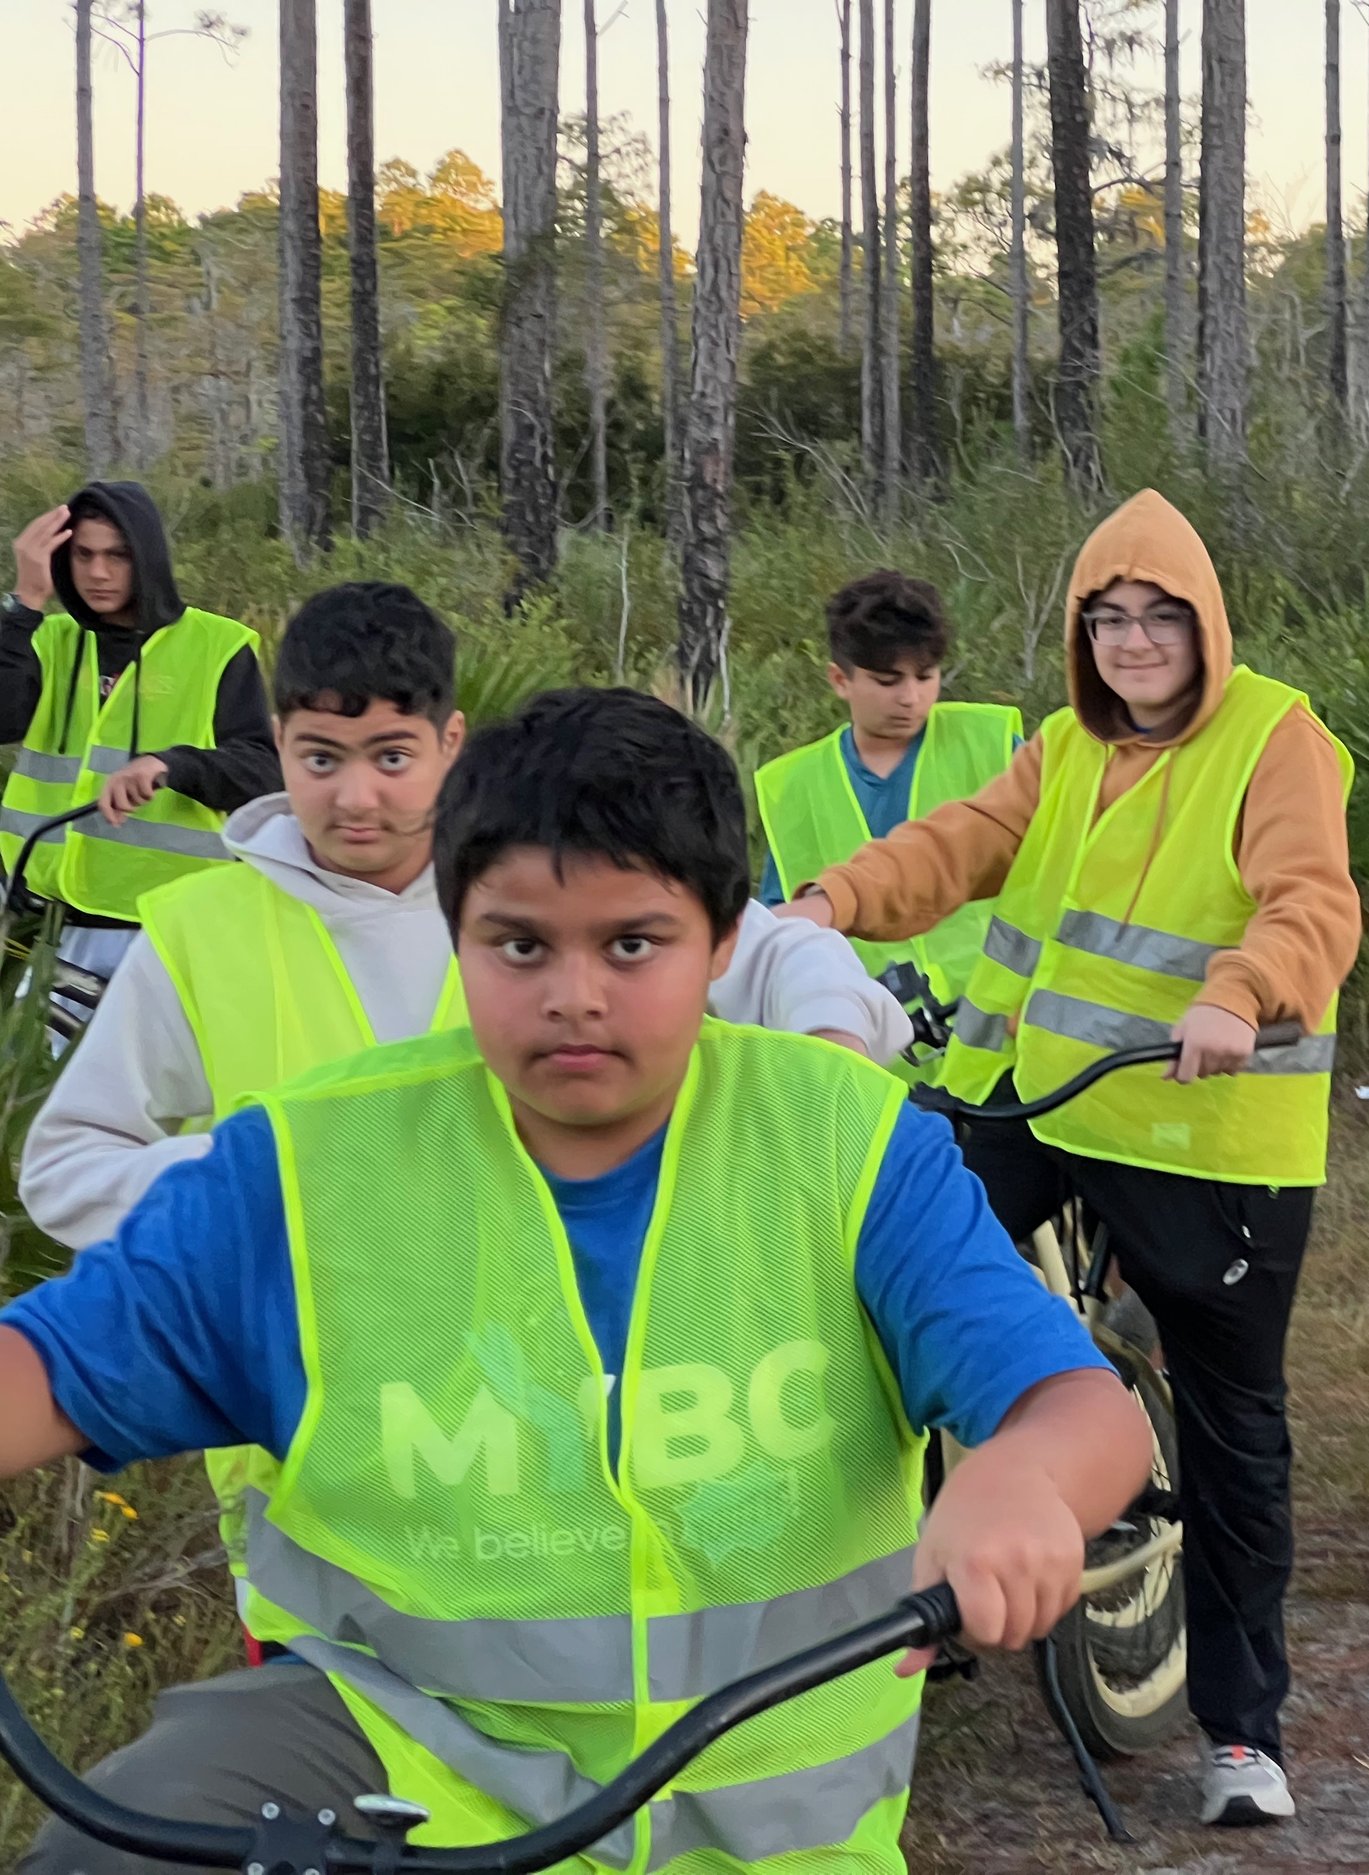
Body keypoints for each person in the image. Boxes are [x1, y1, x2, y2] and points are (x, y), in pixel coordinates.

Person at [0, 685, 1155, 1875]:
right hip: (413, 1767)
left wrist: (1019, 1483)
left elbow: (1079, 1410)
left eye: (633, 944)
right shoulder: (300, 1172)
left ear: (722, 944)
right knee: (129, 1841)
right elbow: (49, 1363)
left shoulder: (846, 1144)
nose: (574, 995)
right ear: (456, 937)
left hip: (768, 1835)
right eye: (519, 944)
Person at [778, 488, 1361, 1828]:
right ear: (1079, 633)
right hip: (1029, 1100)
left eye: (1160, 617)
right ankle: (898, 1616)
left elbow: (1313, 898)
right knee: (877, 1301)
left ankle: (1241, 1729)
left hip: (1200, 1125)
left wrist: (1241, 989)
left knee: (1231, 1423)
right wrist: (830, 900)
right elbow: (961, 846)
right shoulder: (1059, 744)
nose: (1135, 640)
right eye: (1109, 618)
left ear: (1205, 625)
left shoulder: (1278, 734)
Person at [21, 581, 910, 1252]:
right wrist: (274, 1178)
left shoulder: (533, 872)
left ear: (451, 741)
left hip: (555, 1403)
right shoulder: (196, 928)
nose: (355, 795)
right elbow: (67, 1174)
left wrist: (828, 1039)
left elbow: (772, 948)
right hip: (301, 1445)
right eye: (320, 757)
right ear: (278, 745)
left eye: (393, 755)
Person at [1, 486, 279, 978]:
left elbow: (264, 772)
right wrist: (25, 602)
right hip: (38, 922)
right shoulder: (49, 638)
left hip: (160, 930)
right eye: (82, 555)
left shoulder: (218, 645)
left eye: (118, 555)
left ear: (147, 557)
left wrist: (174, 765)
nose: (98, 573)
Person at [755, 571, 1021, 1035]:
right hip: (875, 1059)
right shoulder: (792, 784)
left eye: (925, 676)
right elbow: (782, 928)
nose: (910, 698)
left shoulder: (993, 744)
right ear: (840, 679)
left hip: (1002, 1045)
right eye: (888, 680)